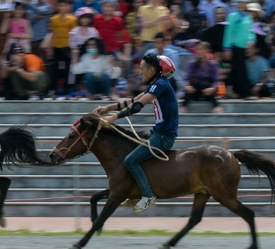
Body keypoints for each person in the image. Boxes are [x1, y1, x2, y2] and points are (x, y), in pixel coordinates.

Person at [95, 53, 179, 214]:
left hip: (163, 138)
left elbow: (137, 106)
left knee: (131, 160)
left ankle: (148, 195)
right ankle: (135, 193)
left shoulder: (160, 85)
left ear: (152, 70)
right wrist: (107, 108)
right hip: (158, 134)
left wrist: (113, 118)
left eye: (142, 69)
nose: (139, 72)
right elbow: (132, 100)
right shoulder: (156, 84)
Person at [223, 0, 255, 99]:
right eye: (241, 2)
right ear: (237, 4)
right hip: (235, 46)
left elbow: (251, 30)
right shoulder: (232, 16)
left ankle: (230, 89)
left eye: (245, 2)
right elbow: (229, 32)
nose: (243, 4)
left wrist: (251, 41)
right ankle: (244, 93)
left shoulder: (249, 16)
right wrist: (227, 48)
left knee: (237, 69)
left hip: (244, 47)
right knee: (241, 69)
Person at [181, 41, 223, 114]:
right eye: (198, 49)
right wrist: (187, 86)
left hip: (208, 91)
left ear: (207, 51)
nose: (199, 51)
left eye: (202, 49)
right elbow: (187, 78)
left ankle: (216, 105)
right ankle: (183, 106)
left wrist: (212, 88)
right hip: (195, 90)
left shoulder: (213, 65)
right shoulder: (192, 64)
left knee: (203, 84)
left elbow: (216, 80)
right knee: (196, 84)